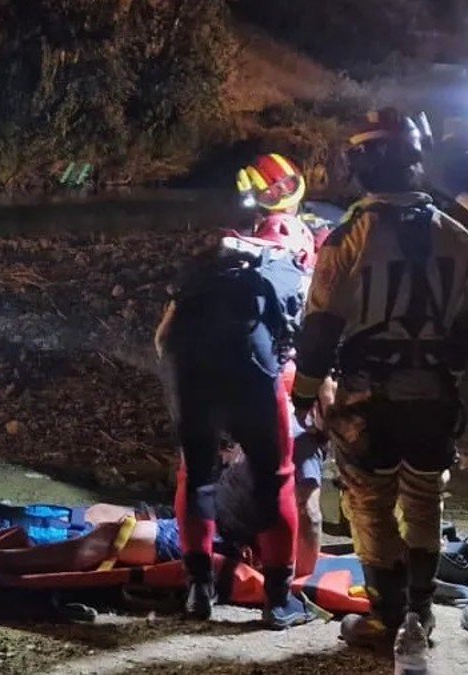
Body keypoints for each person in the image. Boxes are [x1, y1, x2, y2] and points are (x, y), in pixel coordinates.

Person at [292, 108, 468, 650]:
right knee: (423, 500)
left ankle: (385, 616)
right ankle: (420, 614)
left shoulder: (347, 239)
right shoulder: (458, 237)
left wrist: (305, 391)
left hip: (367, 398)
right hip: (436, 396)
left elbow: (320, 327)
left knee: (367, 503)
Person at [155, 215, 317, 629]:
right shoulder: (290, 269)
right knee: (275, 475)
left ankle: (197, 590)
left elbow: (162, 339)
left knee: (196, 475)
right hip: (253, 364)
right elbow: (298, 345)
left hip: (187, 362)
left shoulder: (213, 263)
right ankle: (279, 602)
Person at [236, 153, 327, 576]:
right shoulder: (313, 229)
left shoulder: (270, 237)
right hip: (301, 369)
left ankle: (294, 579)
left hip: (281, 372)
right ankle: (293, 571)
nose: (278, 196)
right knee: (293, 481)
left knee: (295, 486)